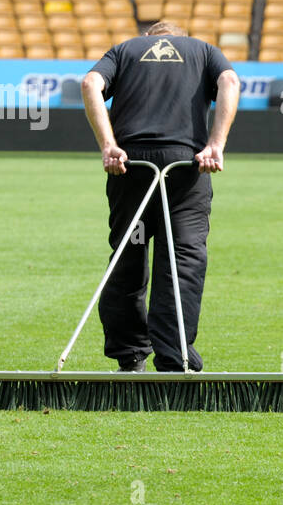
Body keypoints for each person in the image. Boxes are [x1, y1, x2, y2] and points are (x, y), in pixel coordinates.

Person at [80, 20, 240, 372]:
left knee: (128, 255)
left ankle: (130, 354)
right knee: (182, 257)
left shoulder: (126, 50)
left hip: (129, 166)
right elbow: (229, 81)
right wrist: (216, 145)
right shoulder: (203, 50)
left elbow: (91, 82)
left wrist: (109, 146)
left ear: (149, 38)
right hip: (185, 166)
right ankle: (174, 356)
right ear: (178, 40)